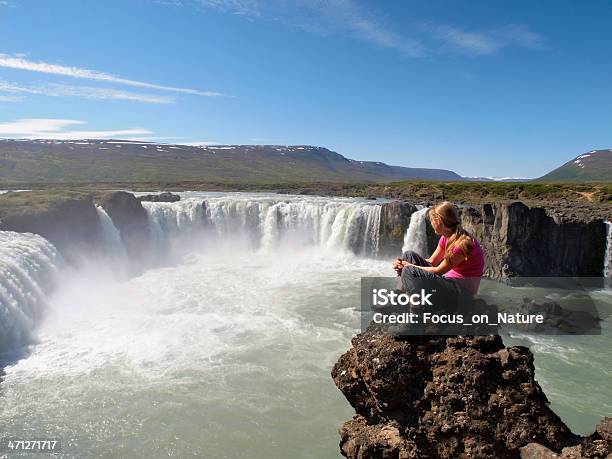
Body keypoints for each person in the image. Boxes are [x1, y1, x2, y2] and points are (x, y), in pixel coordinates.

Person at [393, 201, 485, 308]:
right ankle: (399, 295)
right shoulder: (446, 236)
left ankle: (416, 311)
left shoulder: (461, 244)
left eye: (431, 220)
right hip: (449, 282)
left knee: (409, 270)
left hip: (461, 293)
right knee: (408, 255)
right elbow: (432, 262)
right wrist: (403, 263)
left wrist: (408, 266)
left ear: (439, 221)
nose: (431, 223)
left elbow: (438, 271)